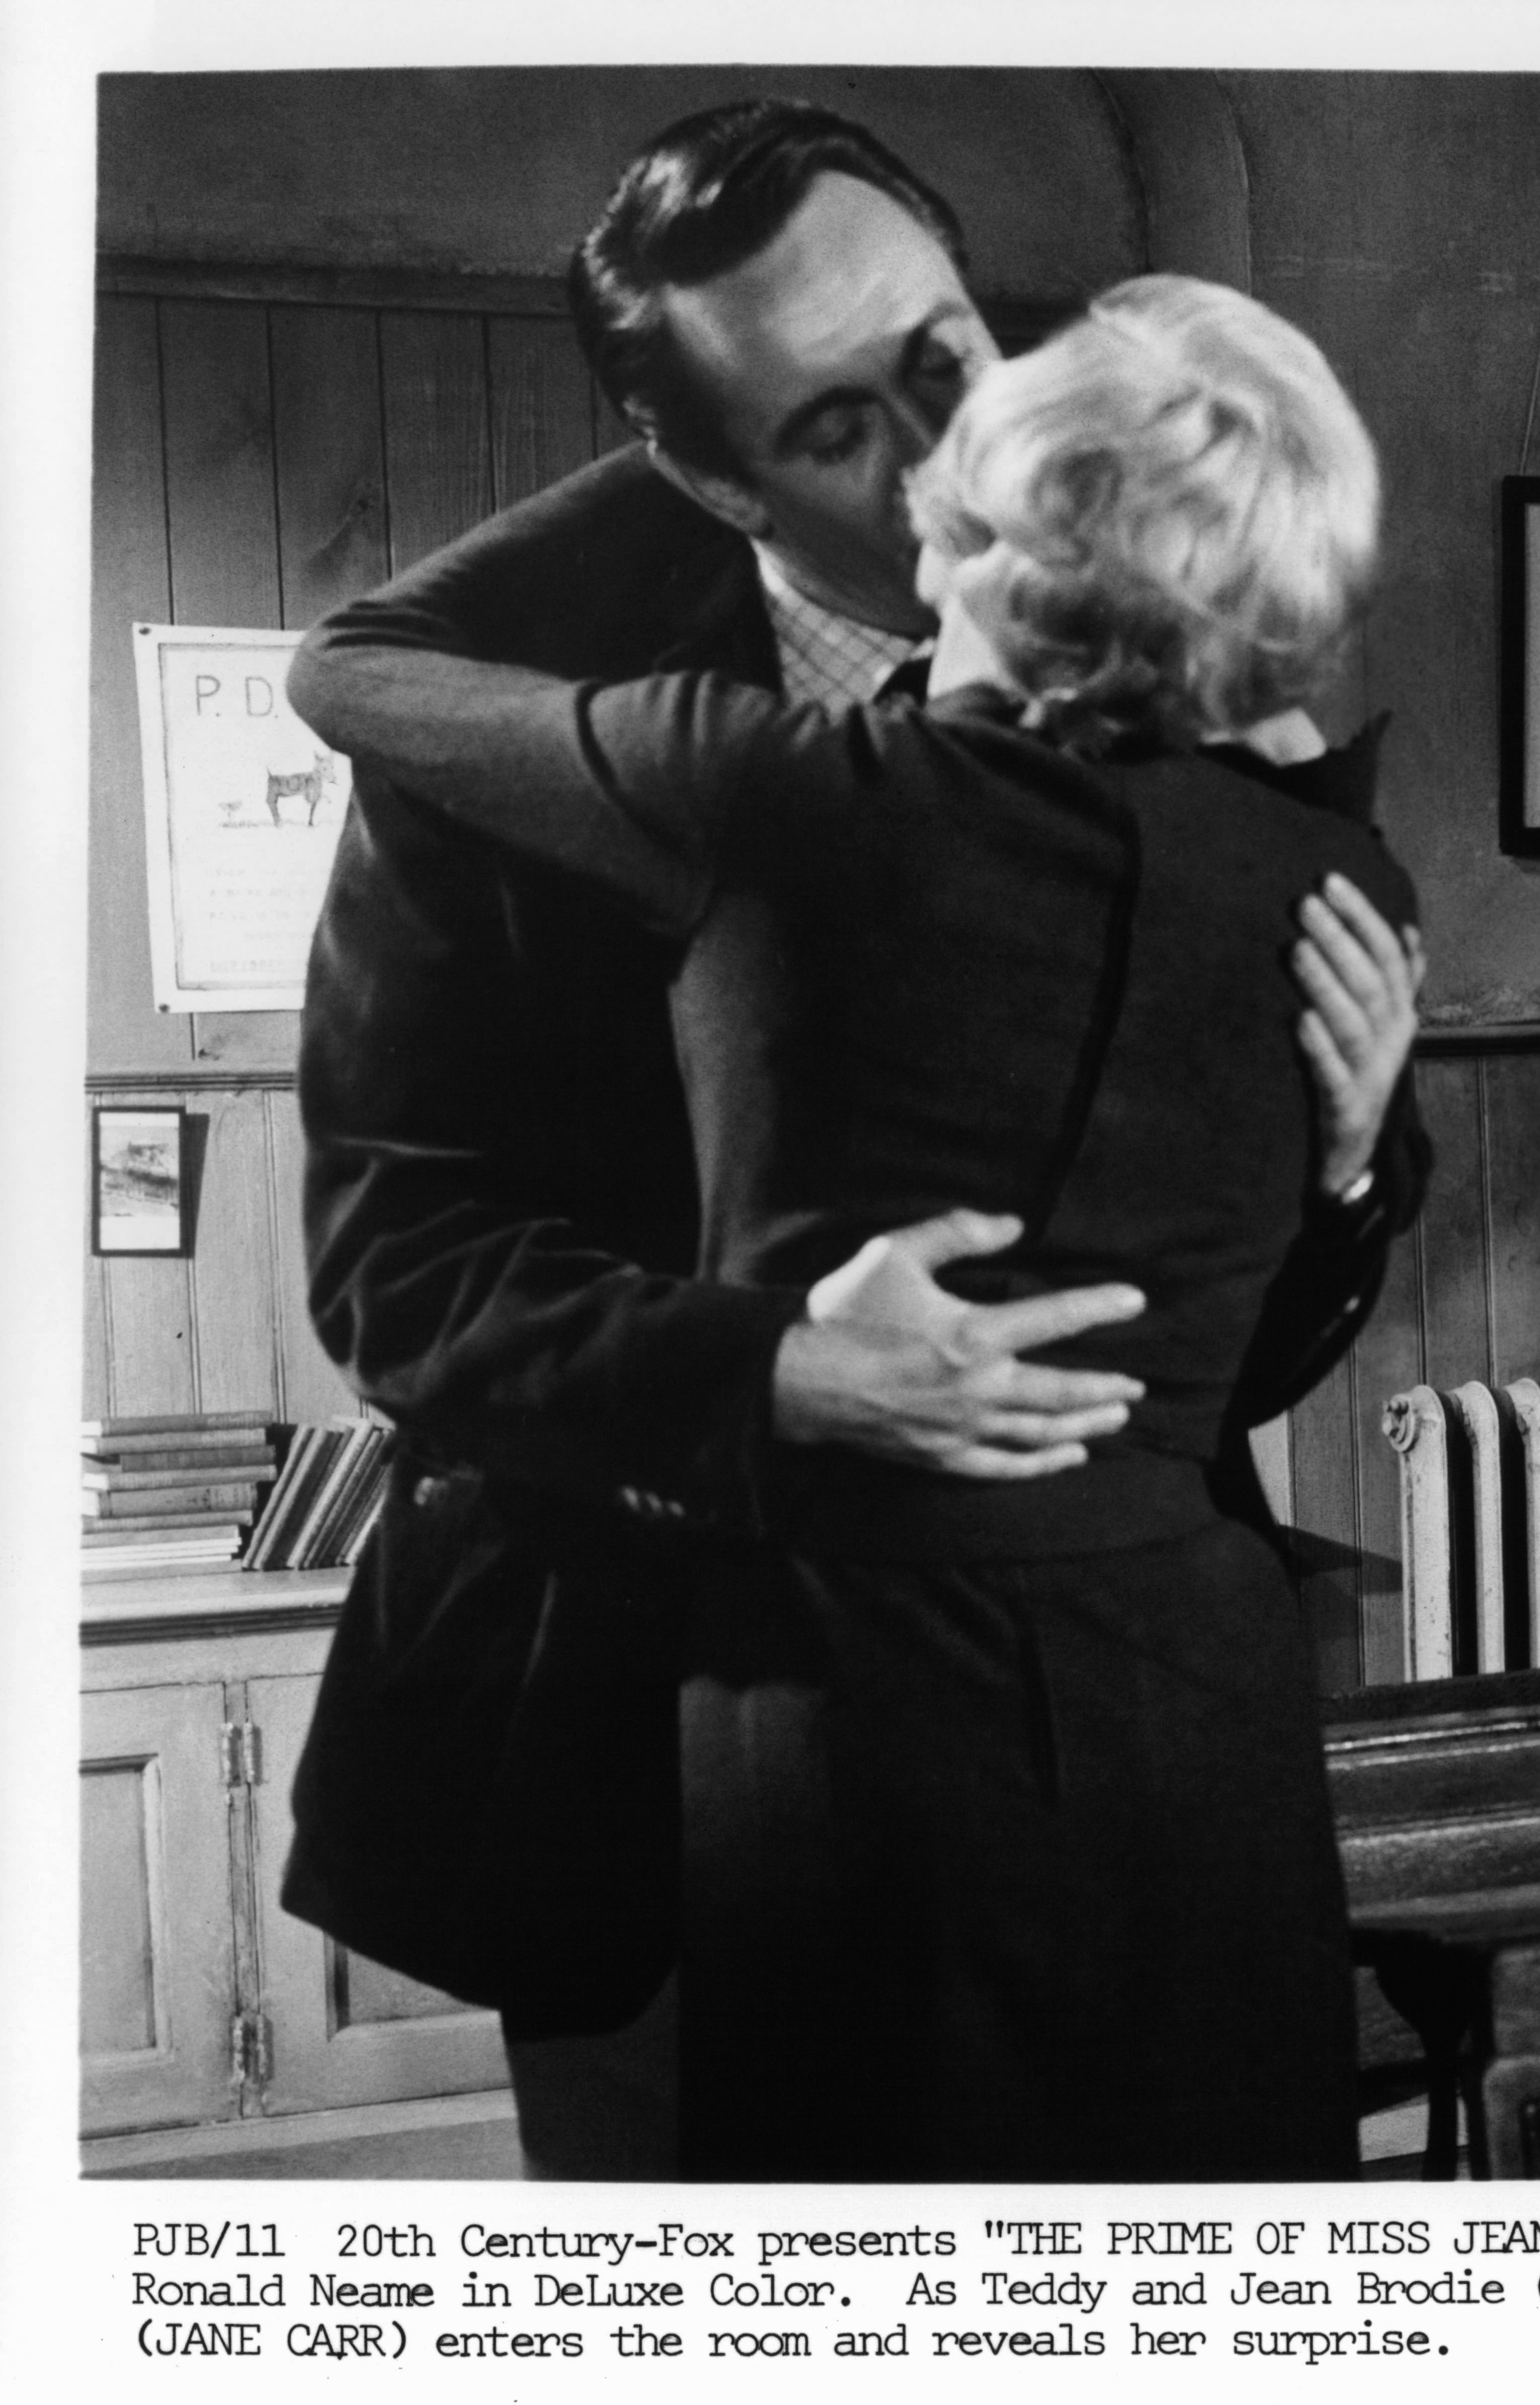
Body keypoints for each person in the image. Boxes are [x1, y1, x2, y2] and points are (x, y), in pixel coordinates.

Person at [280, 101, 1425, 2178]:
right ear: (706, 472)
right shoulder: (535, 748)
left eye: (950, 347)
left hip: (1118, 1731)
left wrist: (1343, 1169)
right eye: (838, 422)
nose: (954, 434)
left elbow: (1239, 1316)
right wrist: (780, 1368)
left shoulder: (1187, 688)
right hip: (653, 1753)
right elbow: (399, 1275)